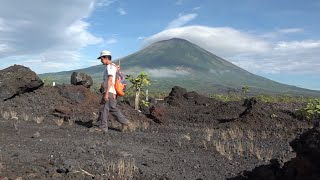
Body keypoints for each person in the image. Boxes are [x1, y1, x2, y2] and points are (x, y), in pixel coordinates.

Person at [97, 50, 131, 133]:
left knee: (104, 108)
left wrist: (107, 93)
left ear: (104, 58)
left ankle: (103, 127)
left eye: (101, 59)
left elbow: (110, 80)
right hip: (112, 92)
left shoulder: (110, 67)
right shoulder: (114, 66)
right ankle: (126, 123)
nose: (101, 61)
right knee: (112, 108)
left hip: (109, 92)